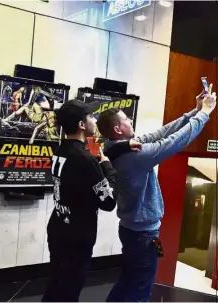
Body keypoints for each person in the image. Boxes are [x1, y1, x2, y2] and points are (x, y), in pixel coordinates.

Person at [96, 84, 217, 302]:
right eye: (127, 120)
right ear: (117, 130)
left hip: (131, 231)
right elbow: (174, 141)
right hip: (143, 235)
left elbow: (161, 133)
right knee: (140, 289)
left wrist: (196, 109)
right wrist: (204, 115)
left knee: (128, 281)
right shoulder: (133, 156)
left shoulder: (117, 147)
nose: (131, 122)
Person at [42, 99, 142, 302]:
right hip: (76, 239)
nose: (94, 119)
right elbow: (108, 201)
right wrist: (108, 168)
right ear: (81, 125)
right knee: (68, 292)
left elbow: (97, 153)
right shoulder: (85, 160)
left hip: (59, 228)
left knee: (56, 286)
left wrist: (122, 147)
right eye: (89, 116)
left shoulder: (62, 150)